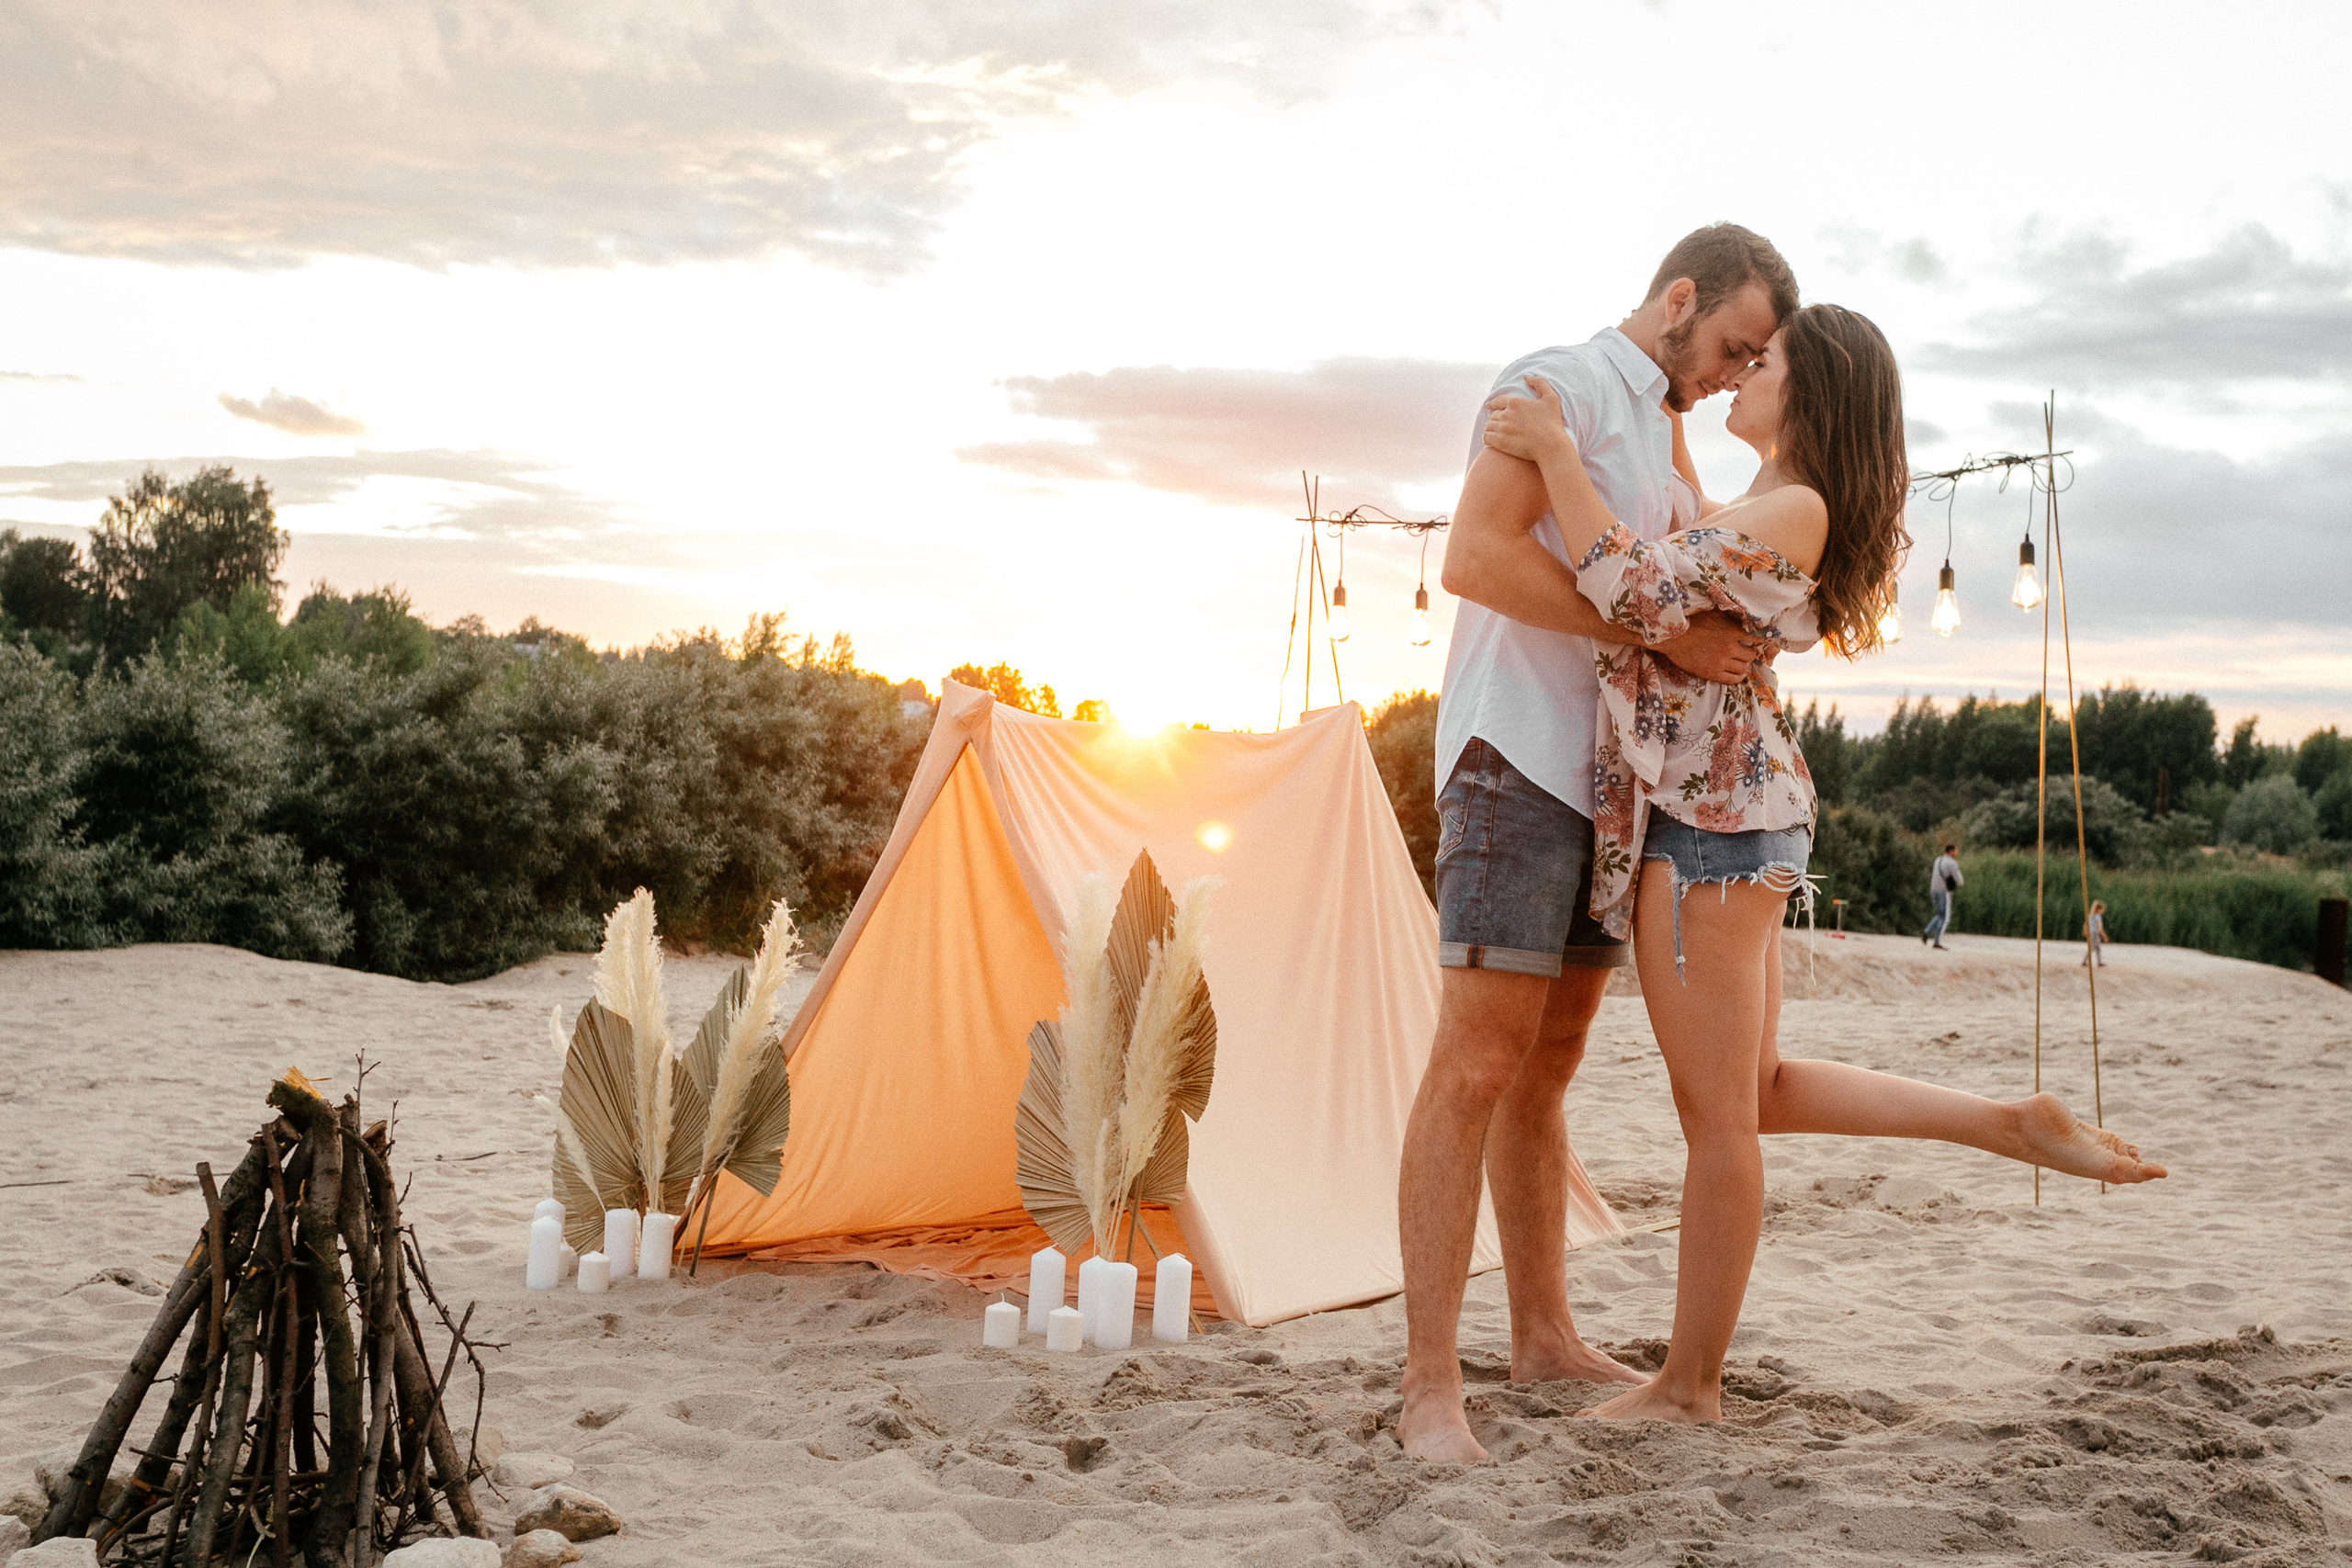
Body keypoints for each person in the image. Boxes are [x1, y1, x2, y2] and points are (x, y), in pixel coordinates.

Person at [1479, 300, 2168, 1427]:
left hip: (1710, 832)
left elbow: (1633, 591)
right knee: (1757, 1093)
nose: (1744, 372)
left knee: (1718, 1125)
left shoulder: (1794, 508)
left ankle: (1687, 1387)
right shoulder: (1763, 502)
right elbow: (1679, 524)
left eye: (1765, 361)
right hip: (1736, 822)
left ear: (1811, 392)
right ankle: (2007, 1123)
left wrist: (1557, 452)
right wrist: (1669, 409)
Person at [1396, 224, 1793, 1464]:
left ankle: (1543, 1336)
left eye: (1756, 362)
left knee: (1548, 1068)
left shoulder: (1668, 441)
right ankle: (1427, 1385)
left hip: (1612, 787)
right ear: (1679, 298)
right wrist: (1656, 636)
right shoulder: (1556, 385)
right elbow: (1473, 558)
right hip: (1515, 760)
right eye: (1731, 345)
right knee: (1475, 1062)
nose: (1733, 374)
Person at [1923, 843, 1962, 948]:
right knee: (1944, 917)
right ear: (1951, 851)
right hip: (1943, 891)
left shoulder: (1938, 860)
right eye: (1955, 850)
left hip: (1933, 890)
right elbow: (1959, 880)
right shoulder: (1952, 863)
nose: (1957, 852)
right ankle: (1936, 940)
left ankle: (1927, 932)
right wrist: (1957, 881)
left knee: (1940, 914)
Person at [2084, 898, 2108, 966]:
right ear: (2098, 909)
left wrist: (2085, 931)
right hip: (2094, 933)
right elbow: (2099, 927)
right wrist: (2104, 935)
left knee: (2096, 948)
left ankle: (2099, 962)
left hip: (2091, 933)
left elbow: (2085, 924)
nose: (2103, 911)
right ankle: (2085, 961)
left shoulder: (2090, 915)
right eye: (2102, 909)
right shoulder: (2097, 916)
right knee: (2093, 948)